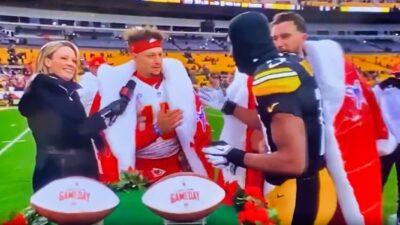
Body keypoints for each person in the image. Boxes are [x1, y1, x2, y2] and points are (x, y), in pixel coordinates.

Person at [203, 11, 335, 225]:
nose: (231, 54)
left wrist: (234, 155)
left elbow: (293, 162)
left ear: (245, 44)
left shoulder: (272, 78)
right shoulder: (290, 63)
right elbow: (269, 122)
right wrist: (228, 106)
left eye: (233, 46)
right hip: (313, 185)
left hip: (298, 195)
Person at [270, 12, 387, 225]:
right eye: (275, 38)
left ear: (303, 36)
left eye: (285, 36)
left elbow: (367, 102)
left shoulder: (337, 68)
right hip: (309, 169)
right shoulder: (276, 73)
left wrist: (380, 135)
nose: (279, 43)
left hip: (348, 159)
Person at [93, 26, 218, 183]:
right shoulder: (115, 89)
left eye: (160, 54)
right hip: (139, 168)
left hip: (176, 164)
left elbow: (196, 129)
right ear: (134, 56)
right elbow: (112, 142)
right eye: (150, 56)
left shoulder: (177, 84)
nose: (158, 61)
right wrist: (156, 130)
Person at [18, 41, 131, 192]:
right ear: (47, 61)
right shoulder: (39, 92)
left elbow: (80, 124)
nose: (71, 64)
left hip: (79, 172)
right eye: (64, 58)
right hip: (58, 176)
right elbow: (69, 133)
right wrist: (109, 112)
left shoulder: (68, 91)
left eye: (73, 60)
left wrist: (98, 139)